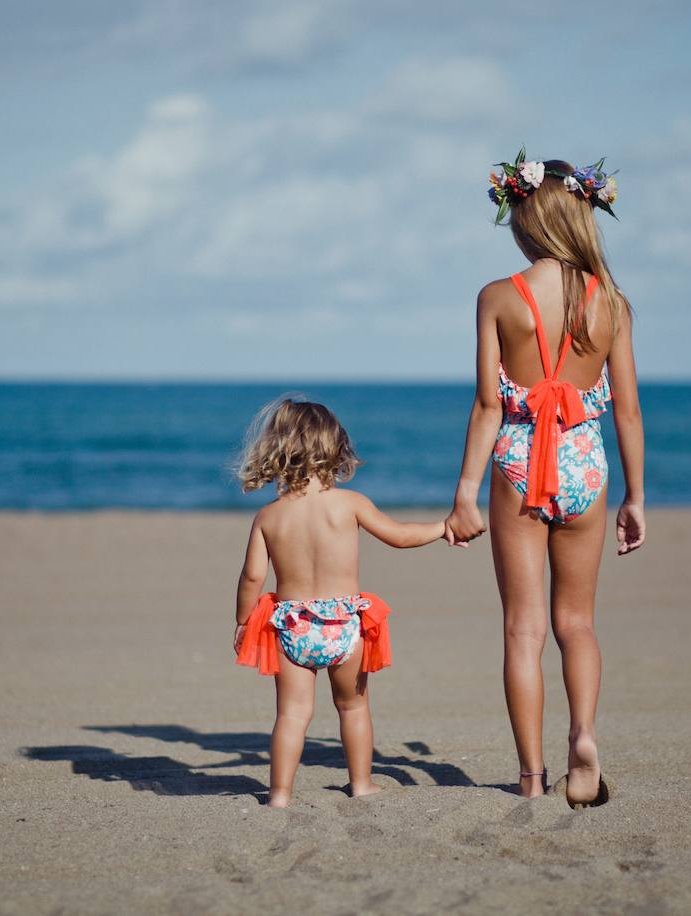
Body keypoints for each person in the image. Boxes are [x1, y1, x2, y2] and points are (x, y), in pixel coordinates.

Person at [444, 150, 647, 808]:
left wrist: (464, 495)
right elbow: (628, 408)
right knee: (577, 624)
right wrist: (636, 497)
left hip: (520, 459)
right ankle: (582, 737)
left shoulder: (500, 298)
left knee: (522, 630)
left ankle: (530, 778)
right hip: (587, 462)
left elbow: (487, 406)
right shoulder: (611, 302)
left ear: (524, 219)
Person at [233, 396, 446, 808]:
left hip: (291, 626)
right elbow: (400, 536)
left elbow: (252, 577)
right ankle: (362, 783)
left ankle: (279, 793)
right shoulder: (350, 504)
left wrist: (244, 620)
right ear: (335, 447)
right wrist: (442, 527)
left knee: (292, 715)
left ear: (278, 450)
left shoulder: (269, 517)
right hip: (345, 625)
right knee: (353, 706)